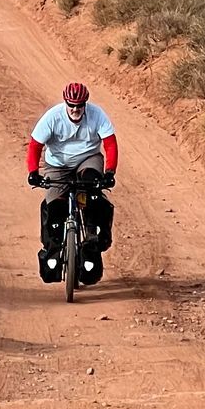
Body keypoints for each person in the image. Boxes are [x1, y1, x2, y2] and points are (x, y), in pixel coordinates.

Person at [26, 82, 117, 284]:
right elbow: (35, 146)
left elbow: (110, 144)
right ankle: (54, 249)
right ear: (65, 103)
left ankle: (93, 235)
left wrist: (110, 172)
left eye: (80, 105)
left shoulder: (97, 115)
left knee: (91, 189)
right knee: (53, 206)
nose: (76, 110)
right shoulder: (52, 117)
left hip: (88, 159)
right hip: (57, 165)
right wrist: (33, 172)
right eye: (72, 105)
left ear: (86, 104)